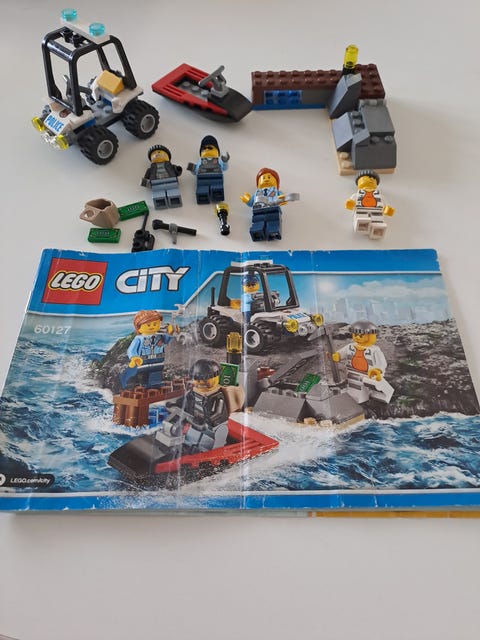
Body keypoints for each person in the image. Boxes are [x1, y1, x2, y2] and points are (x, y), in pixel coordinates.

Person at [332, 320, 394, 403]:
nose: (357, 337)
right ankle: (354, 395)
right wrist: (337, 356)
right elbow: (341, 354)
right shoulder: (350, 347)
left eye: (361, 335)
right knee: (353, 384)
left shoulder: (374, 350)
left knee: (365, 386)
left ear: (371, 336)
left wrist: (377, 370)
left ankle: (364, 396)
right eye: (355, 335)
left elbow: (382, 363)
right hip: (352, 372)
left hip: (368, 375)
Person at [121, 310, 173, 389]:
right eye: (148, 325)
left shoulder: (160, 336)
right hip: (143, 361)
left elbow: (166, 341)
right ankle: (141, 386)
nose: (152, 326)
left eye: (155, 324)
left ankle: (155, 387)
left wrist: (170, 333)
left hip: (158, 360)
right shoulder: (139, 339)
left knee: (155, 375)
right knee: (142, 376)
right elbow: (131, 349)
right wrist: (134, 357)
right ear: (139, 327)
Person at [345, 170, 395, 240]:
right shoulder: (358, 194)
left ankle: (377, 231)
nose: (370, 179)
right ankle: (362, 226)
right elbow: (352, 199)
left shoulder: (379, 195)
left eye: (373, 179)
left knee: (377, 221)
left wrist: (387, 208)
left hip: (377, 211)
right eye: (366, 178)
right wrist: (350, 203)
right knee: (362, 219)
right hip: (361, 211)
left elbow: (384, 201)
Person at [187, 135, 229, 204]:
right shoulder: (200, 161)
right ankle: (203, 197)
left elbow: (224, 168)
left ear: (217, 150)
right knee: (202, 190)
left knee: (217, 188)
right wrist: (192, 168)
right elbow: (195, 171)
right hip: (202, 180)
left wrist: (225, 161)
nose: (206, 150)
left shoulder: (218, 160)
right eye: (204, 148)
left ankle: (217, 195)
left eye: (210, 148)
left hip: (217, 179)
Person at [141, 145, 182, 210]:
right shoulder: (150, 170)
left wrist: (178, 169)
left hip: (171, 183)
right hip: (156, 186)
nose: (156, 154)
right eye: (154, 154)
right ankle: (160, 203)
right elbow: (146, 178)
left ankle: (174, 201)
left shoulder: (171, 166)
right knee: (158, 195)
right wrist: (144, 182)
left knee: (173, 193)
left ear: (167, 156)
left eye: (159, 152)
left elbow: (178, 173)